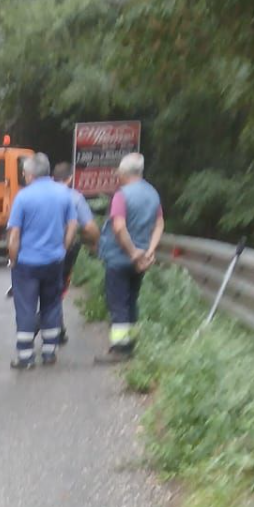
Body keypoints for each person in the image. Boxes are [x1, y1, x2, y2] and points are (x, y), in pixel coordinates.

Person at [6, 153, 77, 369]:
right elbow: (73, 226)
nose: (24, 177)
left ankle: (26, 357)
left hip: (27, 263)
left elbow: (15, 235)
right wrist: (62, 248)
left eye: (25, 173)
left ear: (31, 174)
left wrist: (13, 259)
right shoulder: (64, 194)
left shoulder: (23, 197)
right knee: (51, 305)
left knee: (26, 308)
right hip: (54, 261)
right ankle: (49, 352)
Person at [94, 153, 164, 364]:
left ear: (124, 173)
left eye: (118, 173)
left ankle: (120, 349)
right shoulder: (153, 194)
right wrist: (149, 251)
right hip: (141, 260)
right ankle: (131, 345)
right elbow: (160, 224)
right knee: (132, 300)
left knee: (118, 302)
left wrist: (132, 252)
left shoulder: (121, 196)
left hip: (120, 258)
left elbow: (118, 226)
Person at [53, 162, 100, 344]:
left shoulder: (35, 195)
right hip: (65, 249)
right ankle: (45, 325)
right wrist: (95, 243)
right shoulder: (74, 198)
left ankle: (57, 326)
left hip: (37, 250)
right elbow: (89, 227)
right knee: (58, 288)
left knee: (47, 289)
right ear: (70, 178)